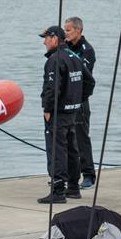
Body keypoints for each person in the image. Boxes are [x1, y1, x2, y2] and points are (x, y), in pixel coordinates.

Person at [38, 25, 95, 204]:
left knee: (57, 149)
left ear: (55, 38)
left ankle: (58, 190)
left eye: (46, 38)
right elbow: (89, 82)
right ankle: (73, 187)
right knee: (71, 148)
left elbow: (51, 88)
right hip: (72, 111)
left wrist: (47, 109)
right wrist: (77, 99)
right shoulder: (74, 56)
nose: (44, 42)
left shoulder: (55, 60)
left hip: (58, 112)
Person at [64, 17, 97, 190]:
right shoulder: (65, 47)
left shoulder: (87, 50)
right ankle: (69, 176)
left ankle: (89, 174)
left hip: (80, 100)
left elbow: (82, 74)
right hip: (65, 100)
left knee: (81, 137)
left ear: (78, 30)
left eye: (68, 30)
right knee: (66, 138)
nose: (65, 33)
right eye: (65, 30)